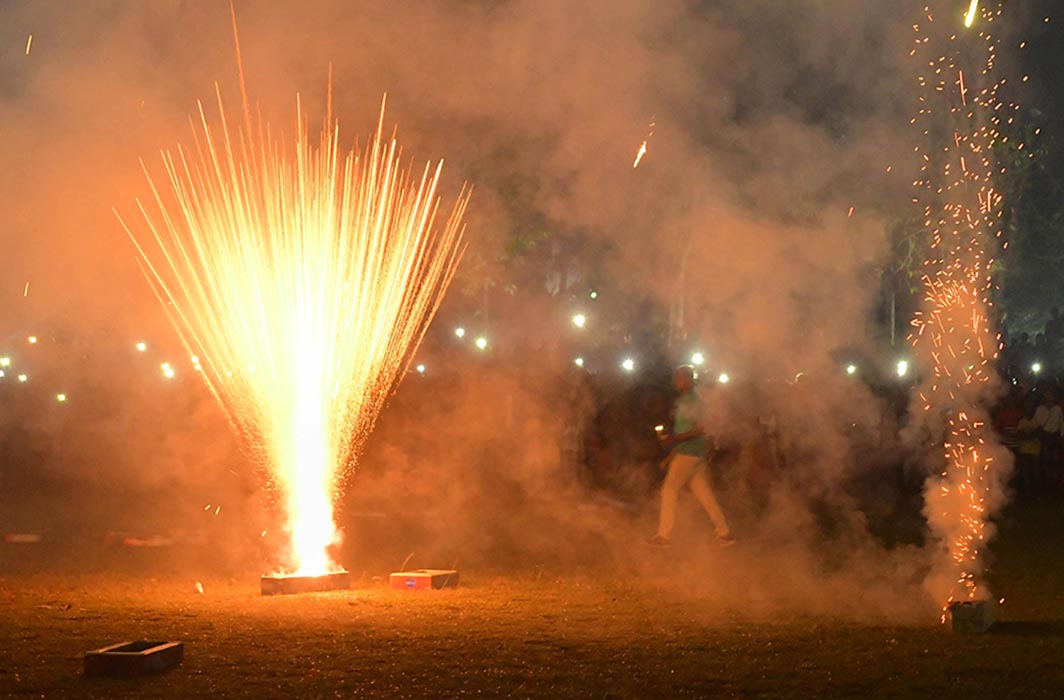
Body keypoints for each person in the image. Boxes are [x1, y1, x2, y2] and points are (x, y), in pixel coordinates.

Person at [648, 365, 735, 547]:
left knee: (669, 490)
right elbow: (687, 431)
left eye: (679, 378)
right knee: (704, 494)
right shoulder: (686, 400)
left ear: (688, 379)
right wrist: (671, 454)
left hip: (689, 453)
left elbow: (699, 429)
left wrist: (673, 439)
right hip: (692, 452)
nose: (675, 381)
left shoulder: (694, 401)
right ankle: (724, 533)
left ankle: (664, 536)